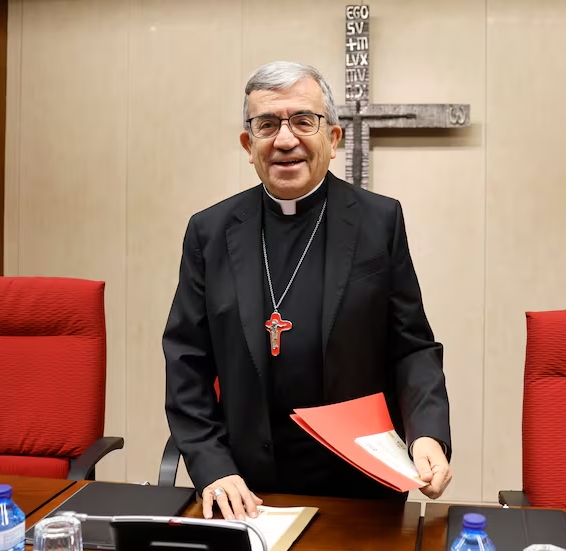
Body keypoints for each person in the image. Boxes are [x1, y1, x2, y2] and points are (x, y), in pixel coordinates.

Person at [163, 61, 451, 522]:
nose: (285, 139)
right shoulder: (210, 232)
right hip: (247, 490)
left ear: (333, 139)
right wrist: (213, 467)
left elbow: (412, 347)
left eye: (303, 120)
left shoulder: (378, 222)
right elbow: (187, 362)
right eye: (267, 124)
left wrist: (427, 434)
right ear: (248, 144)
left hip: (359, 486)